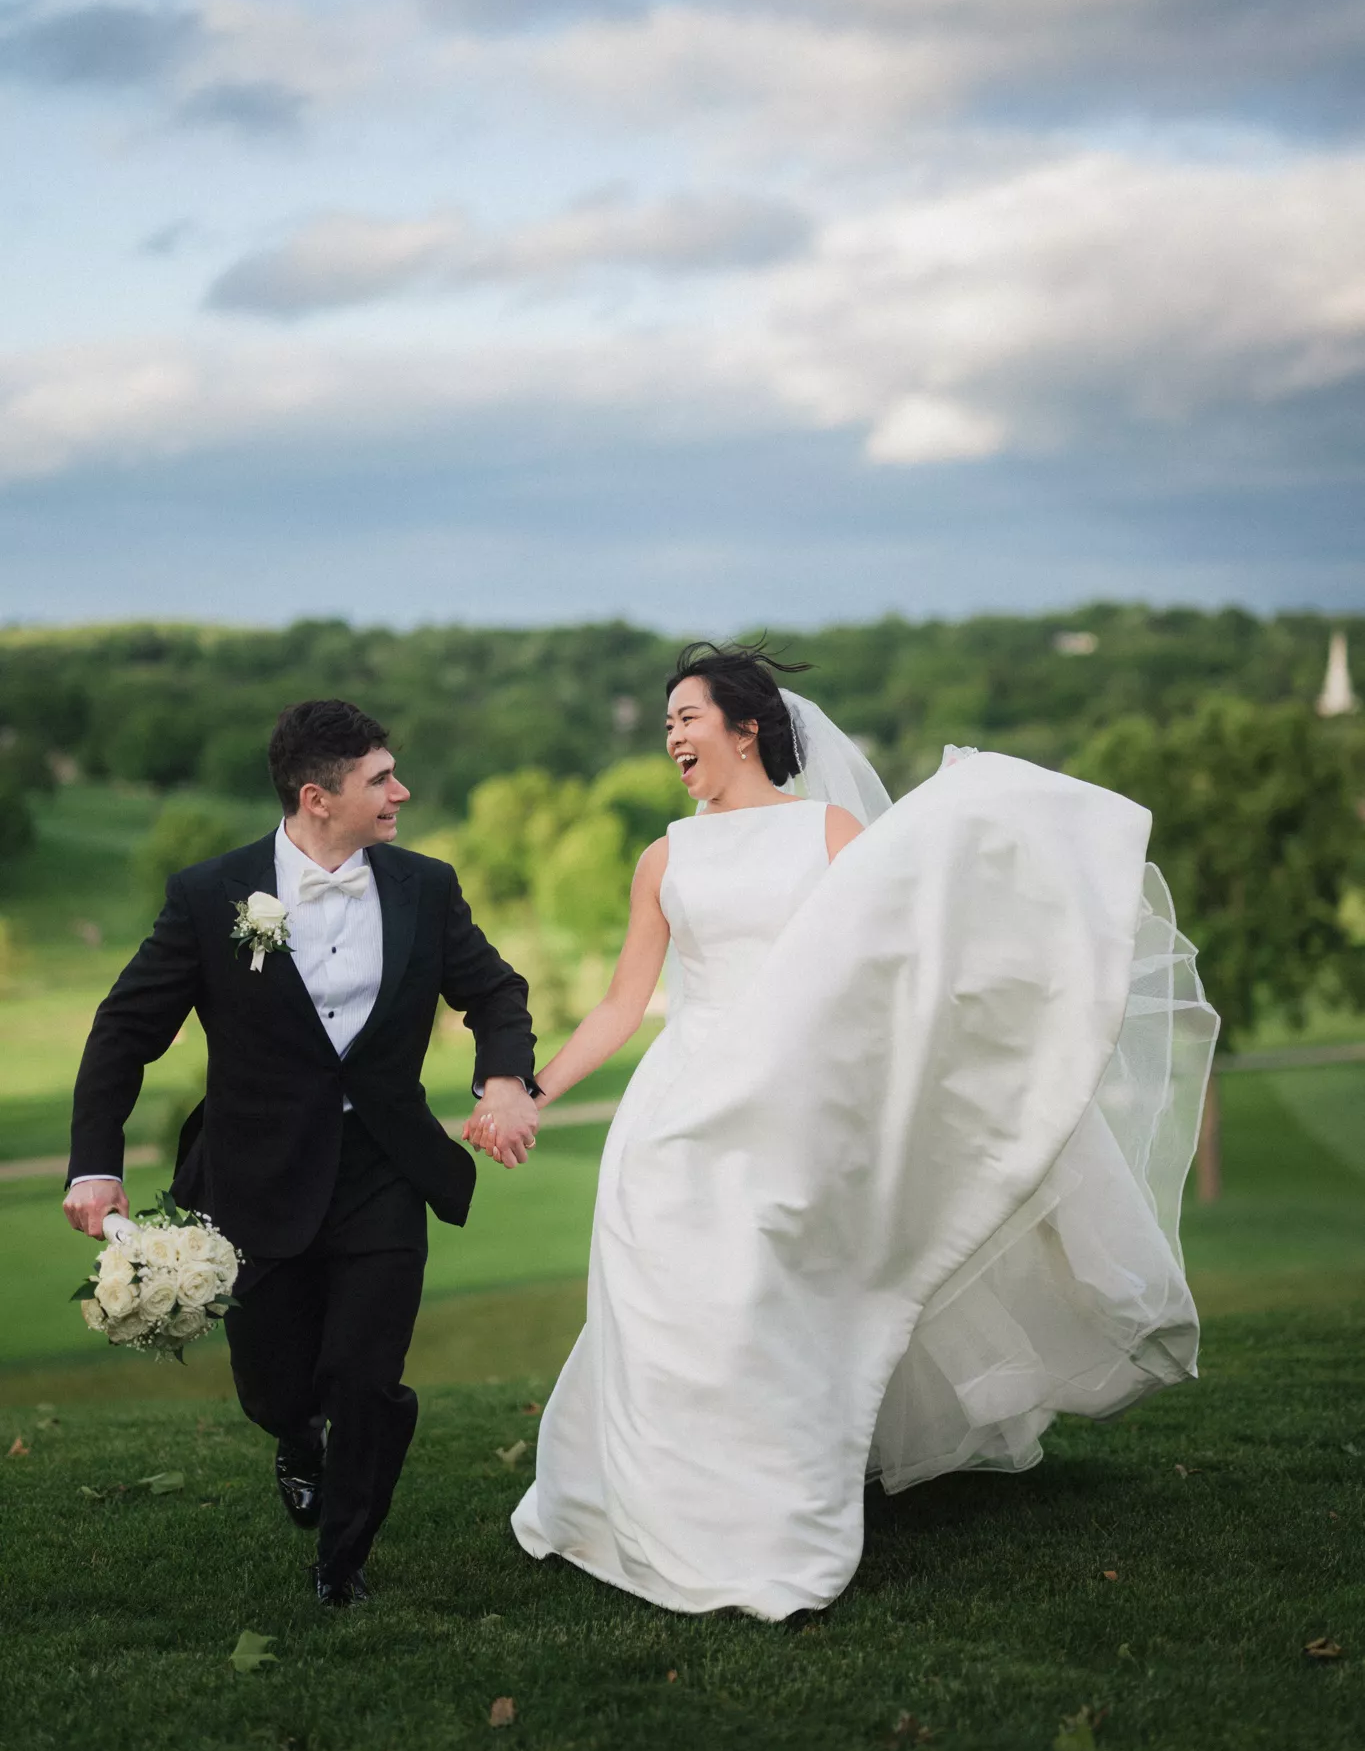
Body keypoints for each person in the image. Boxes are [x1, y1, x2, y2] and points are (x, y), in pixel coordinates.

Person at [470, 643, 1218, 1621]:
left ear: (745, 727)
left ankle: (768, 1495)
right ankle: (648, 1494)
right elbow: (621, 1003)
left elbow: (897, 950)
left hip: (793, 1100)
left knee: (764, 1294)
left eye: (687, 717)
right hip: (676, 1105)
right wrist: (530, 1088)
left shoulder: (828, 831)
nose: (672, 737)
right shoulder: (665, 856)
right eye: (666, 725)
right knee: (660, 1292)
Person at [63, 699, 541, 1608]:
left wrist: (506, 1080)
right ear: (317, 798)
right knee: (275, 1385)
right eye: (380, 779)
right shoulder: (209, 895)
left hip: (383, 1165)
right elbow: (123, 1031)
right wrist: (95, 1164)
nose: (401, 791)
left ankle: (341, 1563)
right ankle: (293, 1435)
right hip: (255, 1173)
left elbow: (494, 990)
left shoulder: (425, 885)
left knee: (367, 1375)